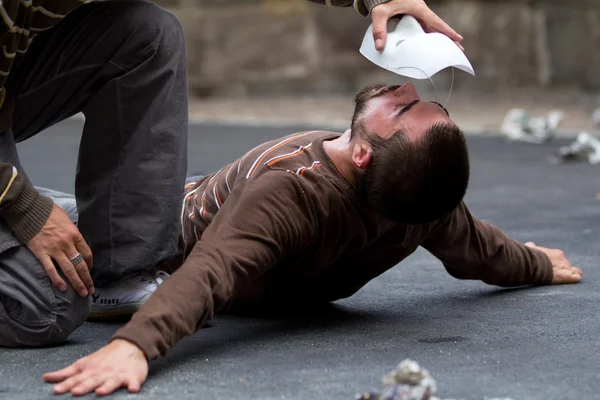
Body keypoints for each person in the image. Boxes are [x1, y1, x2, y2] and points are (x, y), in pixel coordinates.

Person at [43, 82, 582, 396]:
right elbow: (480, 249)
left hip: (155, 235)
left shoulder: (296, 193)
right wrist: (533, 263)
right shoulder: (415, 205)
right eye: (418, 100)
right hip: (194, 204)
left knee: (56, 227)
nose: (405, 86)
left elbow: (209, 273)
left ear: (366, 154)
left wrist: (133, 346)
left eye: (401, 107)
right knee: (51, 214)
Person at [0, 0, 462, 347]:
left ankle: (118, 274)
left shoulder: (416, 214)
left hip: (10, 76)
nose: (405, 88)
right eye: (405, 104)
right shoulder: (288, 187)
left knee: (148, 36)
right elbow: (211, 269)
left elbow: (480, 245)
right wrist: (21, 204)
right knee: (49, 305)